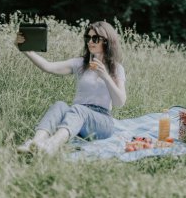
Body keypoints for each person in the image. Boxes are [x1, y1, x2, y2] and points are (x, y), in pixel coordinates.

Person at [15, 21, 126, 155]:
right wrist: (26, 50)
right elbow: (47, 67)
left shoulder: (116, 68)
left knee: (78, 109)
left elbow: (119, 102)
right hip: (77, 116)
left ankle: (51, 145)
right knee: (60, 105)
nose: (90, 41)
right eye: (88, 38)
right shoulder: (80, 63)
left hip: (102, 121)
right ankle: (36, 143)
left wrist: (105, 76)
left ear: (107, 41)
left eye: (95, 38)